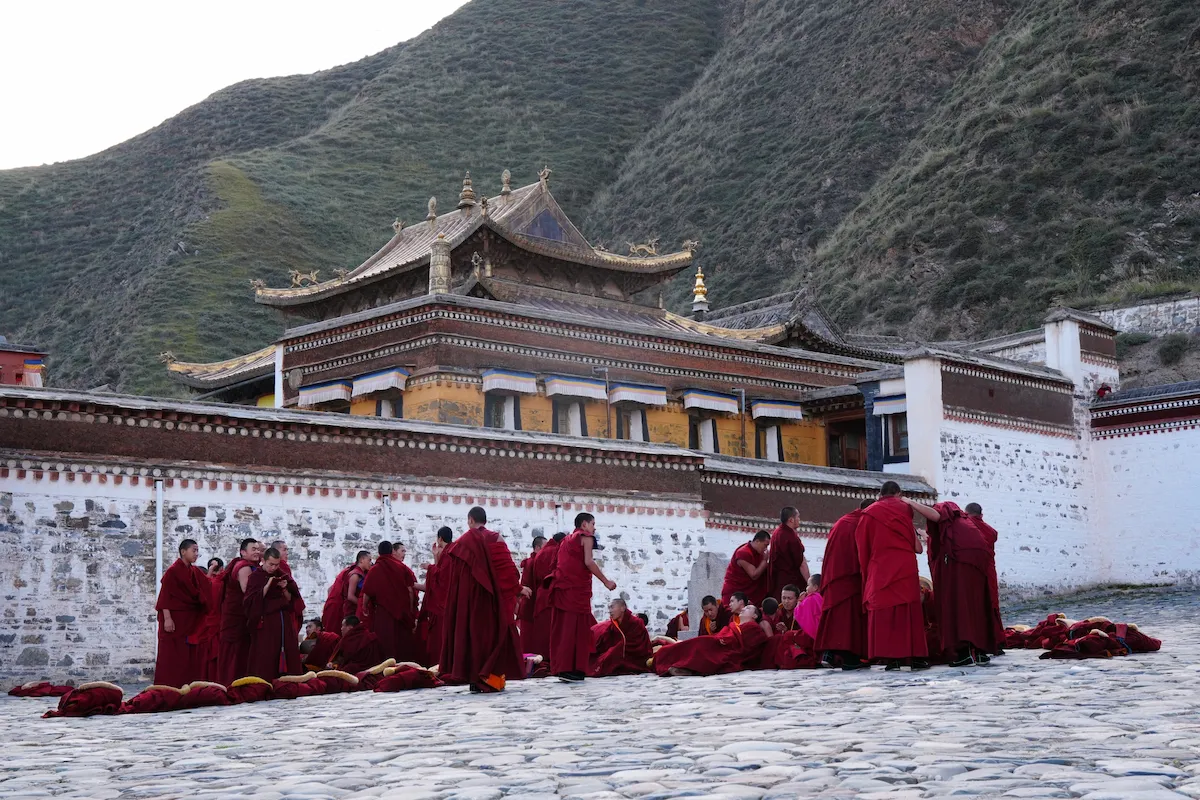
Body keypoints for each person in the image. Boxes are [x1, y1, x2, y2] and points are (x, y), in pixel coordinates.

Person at [439, 507, 527, 692]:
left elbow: (456, 579)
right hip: (495, 599)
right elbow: (509, 572)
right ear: (484, 520)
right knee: (493, 638)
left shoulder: (461, 543)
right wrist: (517, 590)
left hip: (471, 601)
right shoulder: (496, 539)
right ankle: (491, 679)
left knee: (473, 638)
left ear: (470, 520)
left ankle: (474, 678)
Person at [856, 482, 930, 670]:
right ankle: (916, 656)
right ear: (898, 494)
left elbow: (863, 546)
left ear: (880, 494)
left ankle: (892, 659)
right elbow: (916, 546)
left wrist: (867, 571)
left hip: (881, 568)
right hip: (905, 566)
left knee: (886, 612)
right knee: (909, 612)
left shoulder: (869, 513)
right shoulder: (904, 508)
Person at [925, 501, 1002, 666]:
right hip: (983, 575)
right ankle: (983, 651)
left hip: (960, 576)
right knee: (981, 610)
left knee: (961, 612)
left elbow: (940, 547)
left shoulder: (956, 527)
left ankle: (965, 653)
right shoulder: (978, 529)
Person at [550, 513, 617, 682]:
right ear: (584, 524)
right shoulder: (586, 537)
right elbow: (588, 562)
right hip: (576, 591)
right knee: (577, 630)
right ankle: (574, 669)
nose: (594, 528)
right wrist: (606, 581)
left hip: (564, 589)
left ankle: (563, 668)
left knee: (565, 630)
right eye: (593, 523)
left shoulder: (566, 540)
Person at [815, 501, 870, 670]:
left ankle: (829, 653)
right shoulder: (861, 523)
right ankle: (850, 658)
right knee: (848, 620)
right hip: (849, 577)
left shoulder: (843, 521)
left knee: (834, 617)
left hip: (833, 576)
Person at [153, 539, 211, 688]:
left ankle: (187, 684)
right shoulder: (174, 571)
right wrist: (167, 619)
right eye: (194, 550)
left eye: (197, 551)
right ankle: (168, 686)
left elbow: (208, 585)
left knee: (187, 653)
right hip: (175, 620)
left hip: (188, 620)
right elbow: (165, 596)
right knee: (172, 654)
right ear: (183, 551)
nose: (196, 554)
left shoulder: (194, 571)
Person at [653, 605, 770, 677]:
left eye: (748, 608)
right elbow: (729, 632)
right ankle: (674, 662)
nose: (743, 608)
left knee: (700, 646)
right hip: (719, 641)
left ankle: (680, 665)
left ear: (755, 616)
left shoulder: (753, 628)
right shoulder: (736, 625)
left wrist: (727, 639)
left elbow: (746, 647)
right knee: (695, 644)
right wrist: (724, 636)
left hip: (725, 648)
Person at [243, 547, 303, 681]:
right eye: (271, 564)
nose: (273, 568)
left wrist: (284, 588)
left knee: (287, 650)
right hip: (266, 621)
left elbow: (290, 599)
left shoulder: (281, 574)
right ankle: (265, 681)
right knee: (267, 652)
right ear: (263, 561)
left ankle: (288, 681)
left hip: (283, 620)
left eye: (276, 565)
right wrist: (268, 585)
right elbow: (250, 601)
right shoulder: (255, 577)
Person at [361, 541, 419, 662]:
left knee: (385, 641)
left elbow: (367, 591)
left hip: (383, 613)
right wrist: (410, 609)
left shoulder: (375, 569)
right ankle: (403, 666)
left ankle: (385, 667)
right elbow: (409, 590)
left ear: (379, 552)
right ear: (392, 551)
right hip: (401, 612)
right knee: (401, 643)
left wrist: (364, 606)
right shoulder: (402, 568)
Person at [218, 538, 262, 685]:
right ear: (243, 552)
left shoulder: (247, 565)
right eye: (253, 549)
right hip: (237, 617)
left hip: (236, 615)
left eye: (258, 549)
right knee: (237, 652)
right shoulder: (244, 567)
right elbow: (247, 592)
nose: (257, 552)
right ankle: (234, 682)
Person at [965, 502, 1005, 655]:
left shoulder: (967, 527)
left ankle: (978, 642)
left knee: (976, 606)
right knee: (992, 605)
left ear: (966, 514)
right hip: (989, 571)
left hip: (974, 572)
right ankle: (997, 641)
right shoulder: (991, 531)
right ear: (981, 515)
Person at [416, 527, 454, 666]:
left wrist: (429, 567)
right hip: (445, 603)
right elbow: (439, 575)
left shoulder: (449, 554)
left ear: (439, 539)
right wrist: (435, 557)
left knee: (440, 637)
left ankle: (441, 664)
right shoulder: (449, 552)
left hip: (443, 605)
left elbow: (442, 579)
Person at [524, 532, 565, 660]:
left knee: (541, 633)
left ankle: (542, 658)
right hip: (551, 595)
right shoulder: (556, 551)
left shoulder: (540, 556)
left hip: (540, 597)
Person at [589, 598, 652, 677]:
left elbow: (639, 645)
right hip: (621, 654)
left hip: (635, 657)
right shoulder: (613, 624)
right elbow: (608, 640)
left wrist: (617, 649)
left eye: (612, 607)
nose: (610, 611)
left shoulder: (636, 623)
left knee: (611, 655)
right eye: (609, 608)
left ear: (622, 608)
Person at [321, 551, 371, 634]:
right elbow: (350, 596)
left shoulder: (361, 573)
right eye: (369, 560)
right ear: (362, 560)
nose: (370, 562)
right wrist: (363, 605)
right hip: (349, 609)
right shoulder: (355, 574)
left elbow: (330, 589)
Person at [769, 507, 811, 600]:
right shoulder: (791, 537)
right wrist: (809, 583)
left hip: (778, 579)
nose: (799, 519)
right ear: (791, 520)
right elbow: (801, 563)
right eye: (798, 517)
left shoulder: (777, 532)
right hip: (791, 580)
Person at [720, 531, 770, 606]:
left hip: (751, 593)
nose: (765, 549)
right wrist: (764, 561)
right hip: (735, 592)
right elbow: (754, 575)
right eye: (765, 545)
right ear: (757, 541)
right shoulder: (743, 552)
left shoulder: (758, 553)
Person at [516, 534, 546, 653]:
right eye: (545, 548)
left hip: (535, 607)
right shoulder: (531, 562)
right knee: (528, 644)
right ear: (537, 548)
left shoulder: (537, 562)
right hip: (530, 606)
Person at [795, 575, 823, 640]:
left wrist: (799, 600)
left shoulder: (810, 599)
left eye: (808, 585)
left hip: (812, 634)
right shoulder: (822, 596)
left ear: (815, 587)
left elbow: (798, 614)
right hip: (822, 631)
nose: (806, 588)